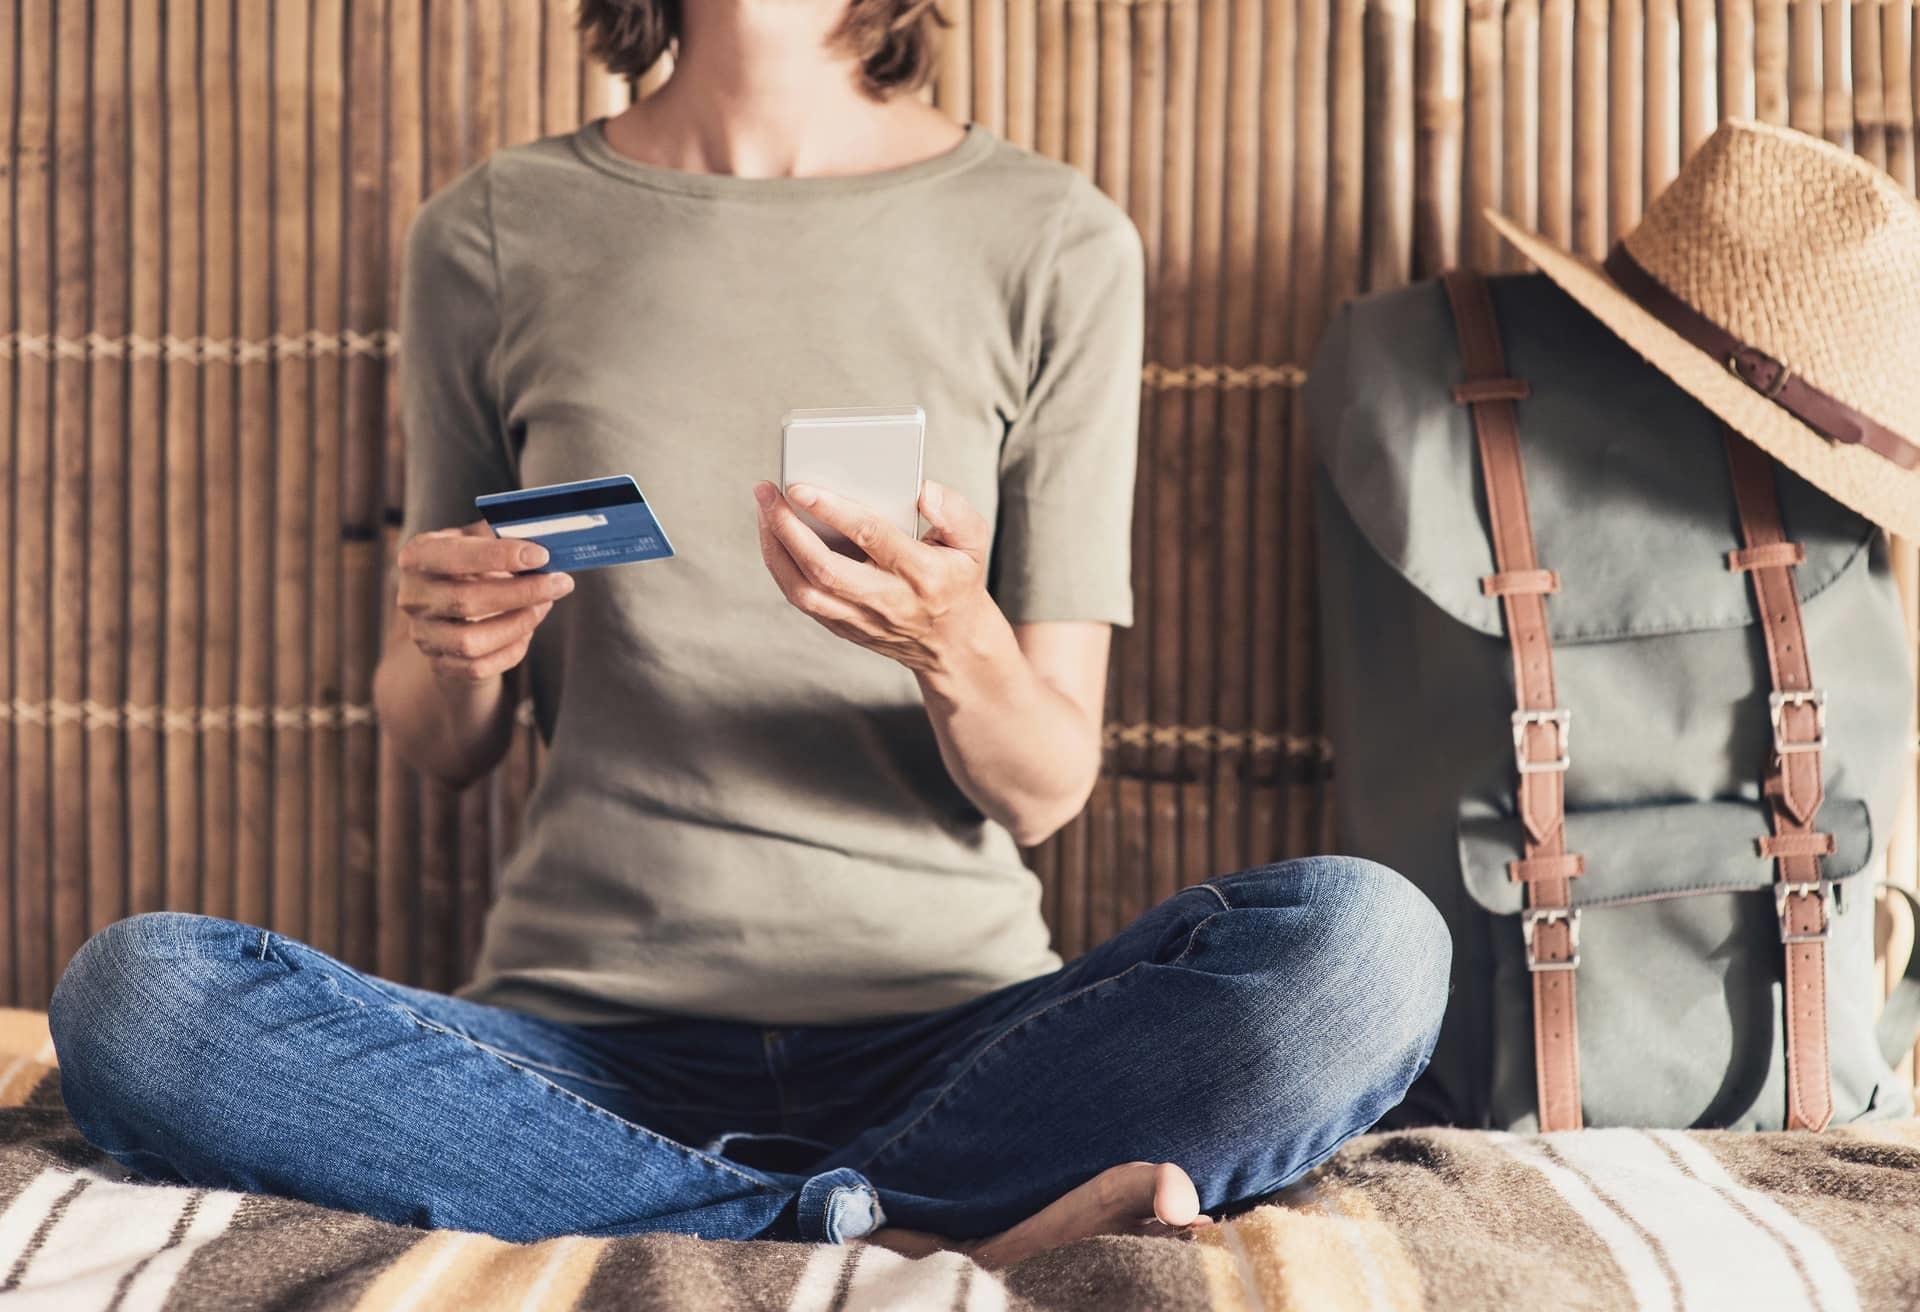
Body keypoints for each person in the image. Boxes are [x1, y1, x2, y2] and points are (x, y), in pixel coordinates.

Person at [48, 0, 1449, 1265]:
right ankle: (867, 1230)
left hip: (962, 1044)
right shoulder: (493, 227)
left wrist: (952, 640)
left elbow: (1044, 784)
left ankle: (706, 1215)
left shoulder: (1051, 232)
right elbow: (440, 745)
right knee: (141, 999)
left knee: (1368, 946)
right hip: (572, 1049)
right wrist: (449, 642)